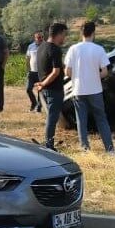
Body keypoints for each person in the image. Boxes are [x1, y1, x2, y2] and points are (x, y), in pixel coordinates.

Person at [64, 20, 115, 154]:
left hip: (78, 90)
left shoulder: (73, 49)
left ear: (81, 33)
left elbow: (67, 72)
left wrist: (78, 75)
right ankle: (109, 149)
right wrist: (94, 75)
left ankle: (85, 149)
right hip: (95, 90)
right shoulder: (99, 49)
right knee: (101, 119)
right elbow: (104, 72)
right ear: (93, 33)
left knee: (81, 120)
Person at [35, 22, 68, 150]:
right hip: (53, 89)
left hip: (45, 89)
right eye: (64, 35)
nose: (64, 38)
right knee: (52, 118)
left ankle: (49, 142)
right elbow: (55, 72)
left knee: (51, 117)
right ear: (58, 34)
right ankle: (49, 145)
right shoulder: (55, 49)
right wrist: (44, 83)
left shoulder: (41, 47)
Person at [25, 30, 44, 112]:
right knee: (28, 89)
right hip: (32, 72)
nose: (40, 39)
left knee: (40, 91)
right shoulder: (30, 46)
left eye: (41, 37)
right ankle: (34, 103)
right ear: (35, 38)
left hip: (41, 73)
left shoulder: (46, 46)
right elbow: (27, 59)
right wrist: (28, 70)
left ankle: (39, 107)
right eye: (38, 37)